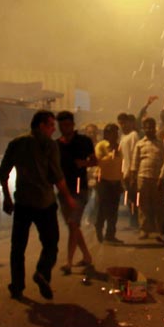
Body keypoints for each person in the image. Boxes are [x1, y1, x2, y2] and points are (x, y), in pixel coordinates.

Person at [0, 110, 76, 300]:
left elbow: (3, 172)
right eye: (51, 126)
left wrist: (8, 198)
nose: (53, 130)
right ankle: (42, 272)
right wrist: (68, 198)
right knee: (51, 244)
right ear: (41, 125)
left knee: (17, 247)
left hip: (23, 202)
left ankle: (17, 286)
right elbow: (57, 176)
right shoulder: (49, 144)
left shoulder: (16, 143)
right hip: (44, 203)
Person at [55, 111, 96, 274]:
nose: (64, 128)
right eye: (61, 125)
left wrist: (83, 163)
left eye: (67, 124)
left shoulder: (84, 141)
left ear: (72, 124)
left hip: (80, 189)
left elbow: (95, 161)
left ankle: (68, 263)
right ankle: (86, 256)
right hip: (63, 190)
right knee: (73, 226)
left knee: (73, 224)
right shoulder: (56, 144)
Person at [129, 117, 164, 239]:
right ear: (143, 129)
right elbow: (134, 163)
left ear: (155, 129)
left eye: (151, 127)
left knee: (159, 205)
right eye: (147, 127)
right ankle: (144, 229)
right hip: (142, 177)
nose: (149, 129)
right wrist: (133, 179)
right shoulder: (139, 144)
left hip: (157, 178)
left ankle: (160, 230)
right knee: (143, 205)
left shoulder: (161, 144)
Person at [94, 123, 124, 244]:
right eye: (112, 133)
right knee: (103, 208)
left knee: (114, 210)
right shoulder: (101, 145)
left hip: (115, 181)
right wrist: (112, 155)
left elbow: (120, 163)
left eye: (116, 133)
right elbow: (99, 160)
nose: (114, 135)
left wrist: (121, 180)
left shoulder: (118, 147)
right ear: (106, 134)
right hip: (103, 181)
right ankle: (99, 227)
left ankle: (110, 235)